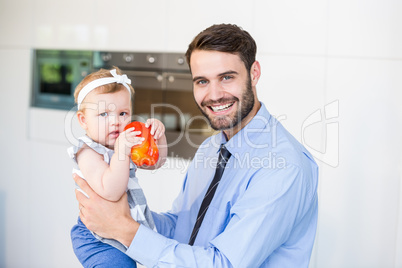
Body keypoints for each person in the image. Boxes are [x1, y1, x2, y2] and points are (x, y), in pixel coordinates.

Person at [74, 24, 319, 267]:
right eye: (202, 81)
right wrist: (121, 217)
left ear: (254, 73)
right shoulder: (211, 148)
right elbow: (182, 229)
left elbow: (223, 264)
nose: (214, 95)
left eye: (226, 77)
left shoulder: (283, 166)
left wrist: (123, 229)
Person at [68, 67, 167, 267]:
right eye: (104, 114)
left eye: (123, 113)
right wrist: (122, 152)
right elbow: (111, 191)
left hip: (124, 228)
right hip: (97, 238)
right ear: (83, 120)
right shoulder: (87, 151)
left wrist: (158, 137)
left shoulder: (123, 142)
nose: (115, 122)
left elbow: (156, 163)